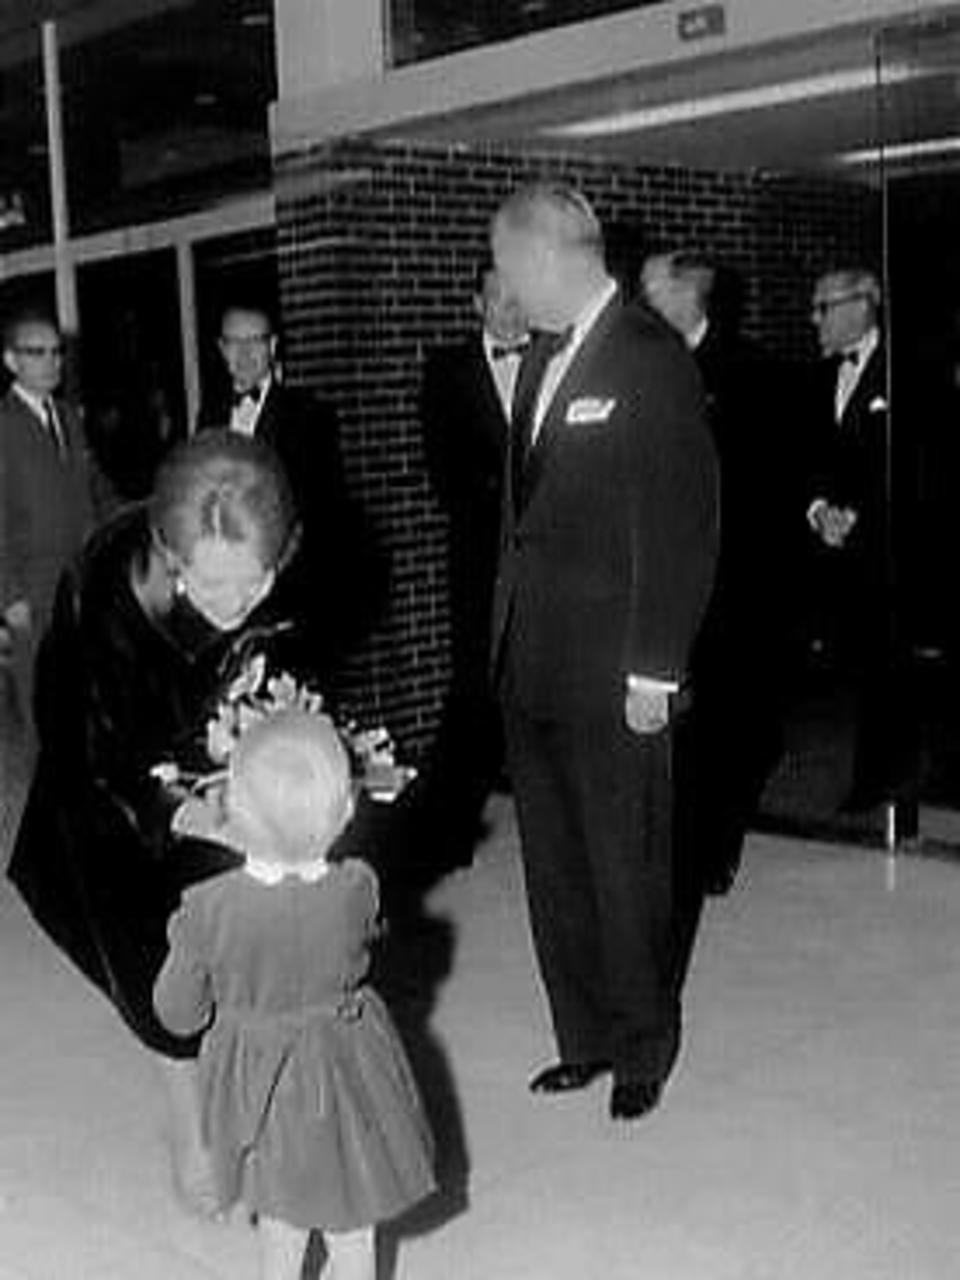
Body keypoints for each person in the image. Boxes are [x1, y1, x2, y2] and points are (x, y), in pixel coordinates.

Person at [7, 431, 317, 1214]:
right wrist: (182, 813)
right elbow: (89, 756)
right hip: (109, 793)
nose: (234, 607)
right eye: (212, 587)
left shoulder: (279, 571)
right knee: (153, 969)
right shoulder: (107, 589)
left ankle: (253, 1107)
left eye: (253, 584)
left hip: (215, 768)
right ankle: (188, 1120)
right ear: (173, 559)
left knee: (246, 947)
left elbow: (286, 675)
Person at [490, 185, 718, 1121]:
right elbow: (523, 516)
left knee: (626, 866)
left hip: (617, 667)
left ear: (549, 259)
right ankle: (581, 1038)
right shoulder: (542, 357)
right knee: (555, 866)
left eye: (507, 269)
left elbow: (682, 524)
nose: (503, 289)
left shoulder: (648, 357)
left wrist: (655, 670)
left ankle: (641, 1047)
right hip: (532, 659)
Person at [153, 708, 436, 1280]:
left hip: (261, 1088)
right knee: (353, 1216)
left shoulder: (206, 910)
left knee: (281, 1218)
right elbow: (370, 949)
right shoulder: (358, 888)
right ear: (347, 811)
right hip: (351, 1071)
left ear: (231, 812)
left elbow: (176, 1013)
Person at [640, 250, 805, 893]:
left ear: (690, 295)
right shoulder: (643, 366)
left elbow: (770, 476)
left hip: (733, 575)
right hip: (665, 570)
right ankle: (682, 835)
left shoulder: (750, 370)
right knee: (682, 717)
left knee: (727, 717)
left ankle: (713, 844)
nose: (644, 301)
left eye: (654, 289)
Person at [197, 302, 381, 682]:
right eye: (234, 343)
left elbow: (324, 511)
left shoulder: (309, 415)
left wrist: (276, 567)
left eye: (254, 342)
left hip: (293, 594)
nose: (244, 354)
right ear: (221, 349)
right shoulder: (209, 415)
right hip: (229, 598)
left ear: (273, 346)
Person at [416, 261, 528, 871]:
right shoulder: (447, 372)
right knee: (474, 692)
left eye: (518, 298)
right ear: (476, 304)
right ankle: (449, 828)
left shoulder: (553, 360)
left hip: (549, 563)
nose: (510, 310)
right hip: (480, 562)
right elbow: (444, 472)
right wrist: (508, 500)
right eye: (497, 298)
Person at [806, 267, 917, 823]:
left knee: (889, 672)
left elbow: (917, 464)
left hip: (891, 552)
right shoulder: (816, 377)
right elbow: (805, 458)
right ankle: (871, 775)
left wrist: (861, 516)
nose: (815, 319)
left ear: (863, 305)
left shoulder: (904, 372)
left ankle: (884, 780)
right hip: (836, 549)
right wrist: (817, 509)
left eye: (824, 307)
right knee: (858, 670)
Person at [0, 308, 93, 763]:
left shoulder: (68, 417)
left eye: (57, 352)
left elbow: (90, 492)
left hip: (77, 582)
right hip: (32, 591)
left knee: (80, 696)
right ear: (11, 360)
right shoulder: (3, 425)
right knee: (41, 702)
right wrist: (9, 595)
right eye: (37, 352)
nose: (51, 362)